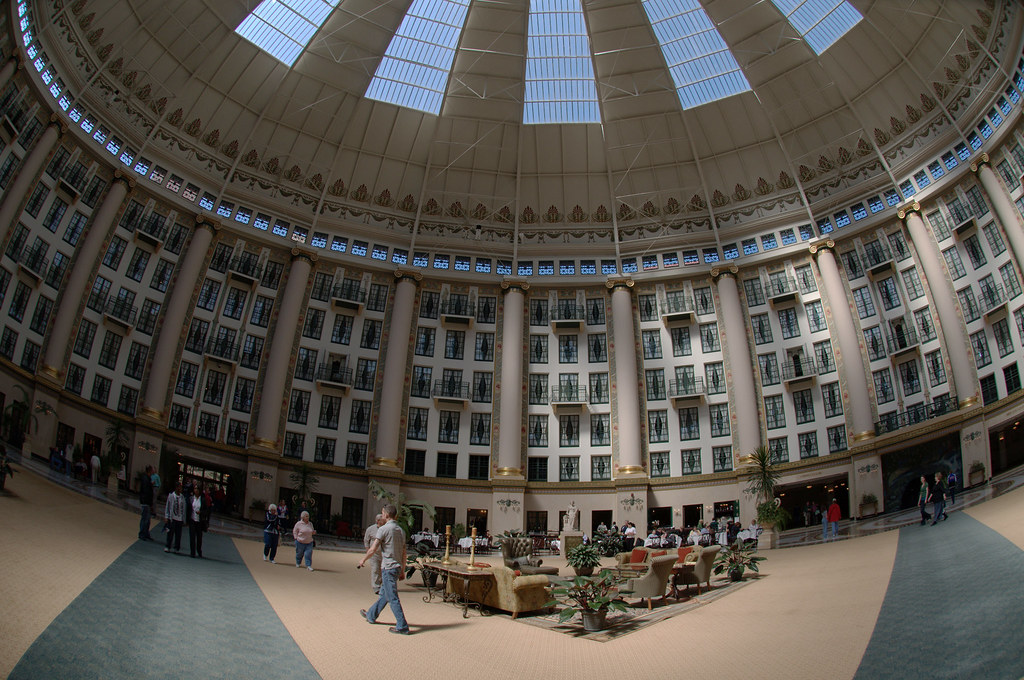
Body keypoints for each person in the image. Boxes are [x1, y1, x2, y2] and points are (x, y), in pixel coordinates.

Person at [358, 503, 410, 635]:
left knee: (392, 597)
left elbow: (373, 548)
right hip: (396, 567)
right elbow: (404, 553)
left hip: (388, 567)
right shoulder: (401, 530)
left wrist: (363, 559)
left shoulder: (383, 529)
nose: (381, 515)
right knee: (385, 594)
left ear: (386, 515)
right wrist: (402, 570)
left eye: (382, 513)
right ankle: (371, 615)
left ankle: (402, 626)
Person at [364, 513, 385, 593]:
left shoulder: (385, 529)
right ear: (378, 521)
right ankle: (376, 586)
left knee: (383, 570)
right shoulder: (370, 529)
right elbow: (366, 540)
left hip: (384, 553)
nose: (384, 521)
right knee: (375, 569)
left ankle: (382, 585)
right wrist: (368, 551)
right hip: (374, 554)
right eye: (382, 520)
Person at [187, 482, 210, 558]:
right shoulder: (191, 498)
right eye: (195, 488)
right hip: (192, 520)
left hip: (199, 521)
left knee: (199, 537)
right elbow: (188, 509)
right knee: (192, 537)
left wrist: (201, 512)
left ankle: (199, 550)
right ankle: (192, 552)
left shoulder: (202, 500)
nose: (195, 490)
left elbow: (206, 511)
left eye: (197, 489)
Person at [164, 481, 185, 554]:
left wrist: (183, 519)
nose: (180, 489)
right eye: (179, 487)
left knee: (178, 534)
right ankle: (168, 546)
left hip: (179, 518)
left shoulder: (182, 497)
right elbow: (168, 506)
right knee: (170, 533)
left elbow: (183, 508)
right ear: (176, 488)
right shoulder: (171, 496)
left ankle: (176, 547)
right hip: (172, 518)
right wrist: (166, 516)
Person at [138, 466, 154, 541]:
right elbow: (146, 491)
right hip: (145, 501)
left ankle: (145, 533)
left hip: (147, 501)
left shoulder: (147, 479)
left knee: (147, 519)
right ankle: (142, 533)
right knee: (145, 518)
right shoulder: (146, 479)